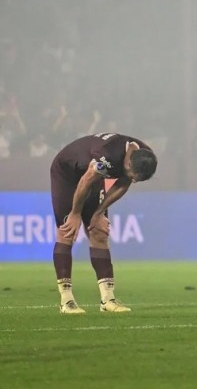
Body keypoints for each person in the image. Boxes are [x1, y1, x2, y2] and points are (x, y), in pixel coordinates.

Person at [50, 132, 157, 314]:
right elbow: (86, 180)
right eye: (133, 175)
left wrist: (99, 213)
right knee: (67, 230)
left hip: (94, 175)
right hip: (68, 173)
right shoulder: (108, 155)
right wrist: (75, 213)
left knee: (99, 232)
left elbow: (123, 183)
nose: (133, 180)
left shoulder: (145, 156)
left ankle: (108, 300)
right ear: (129, 162)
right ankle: (66, 300)